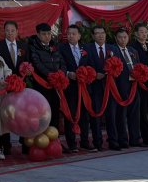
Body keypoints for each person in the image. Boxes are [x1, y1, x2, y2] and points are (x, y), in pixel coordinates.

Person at [28, 23, 73, 152]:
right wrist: (51, 76)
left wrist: (61, 74)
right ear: (38, 34)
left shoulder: (55, 46)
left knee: (54, 114)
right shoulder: (33, 47)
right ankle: (41, 142)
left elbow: (62, 63)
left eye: (49, 34)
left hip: (56, 87)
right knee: (43, 115)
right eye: (44, 34)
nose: (47, 36)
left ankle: (55, 141)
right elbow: (37, 64)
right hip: (42, 86)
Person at [59, 24, 98, 152]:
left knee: (84, 116)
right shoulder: (61, 48)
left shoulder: (85, 48)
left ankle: (85, 141)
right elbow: (60, 65)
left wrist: (88, 73)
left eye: (73, 33)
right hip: (70, 87)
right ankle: (72, 144)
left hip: (85, 87)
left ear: (79, 36)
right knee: (70, 115)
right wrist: (68, 73)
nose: (70, 36)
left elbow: (91, 65)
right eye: (68, 33)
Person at [85, 25, 116, 150]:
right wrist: (93, 74)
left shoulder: (112, 48)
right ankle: (98, 142)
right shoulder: (87, 49)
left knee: (111, 115)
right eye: (97, 33)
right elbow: (83, 66)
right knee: (96, 116)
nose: (101, 35)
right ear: (93, 36)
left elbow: (118, 66)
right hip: (95, 88)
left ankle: (113, 141)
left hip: (110, 88)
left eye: (102, 32)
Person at [110, 26, 141, 149]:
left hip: (133, 87)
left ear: (128, 38)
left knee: (135, 114)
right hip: (119, 87)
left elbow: (138, 66)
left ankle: (135, 138)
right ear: (116, 38)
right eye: (120, 37)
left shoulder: (133, 51)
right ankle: (123, 140)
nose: (123, 39)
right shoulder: (112, 51)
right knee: (121, 115)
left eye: (125, 37)